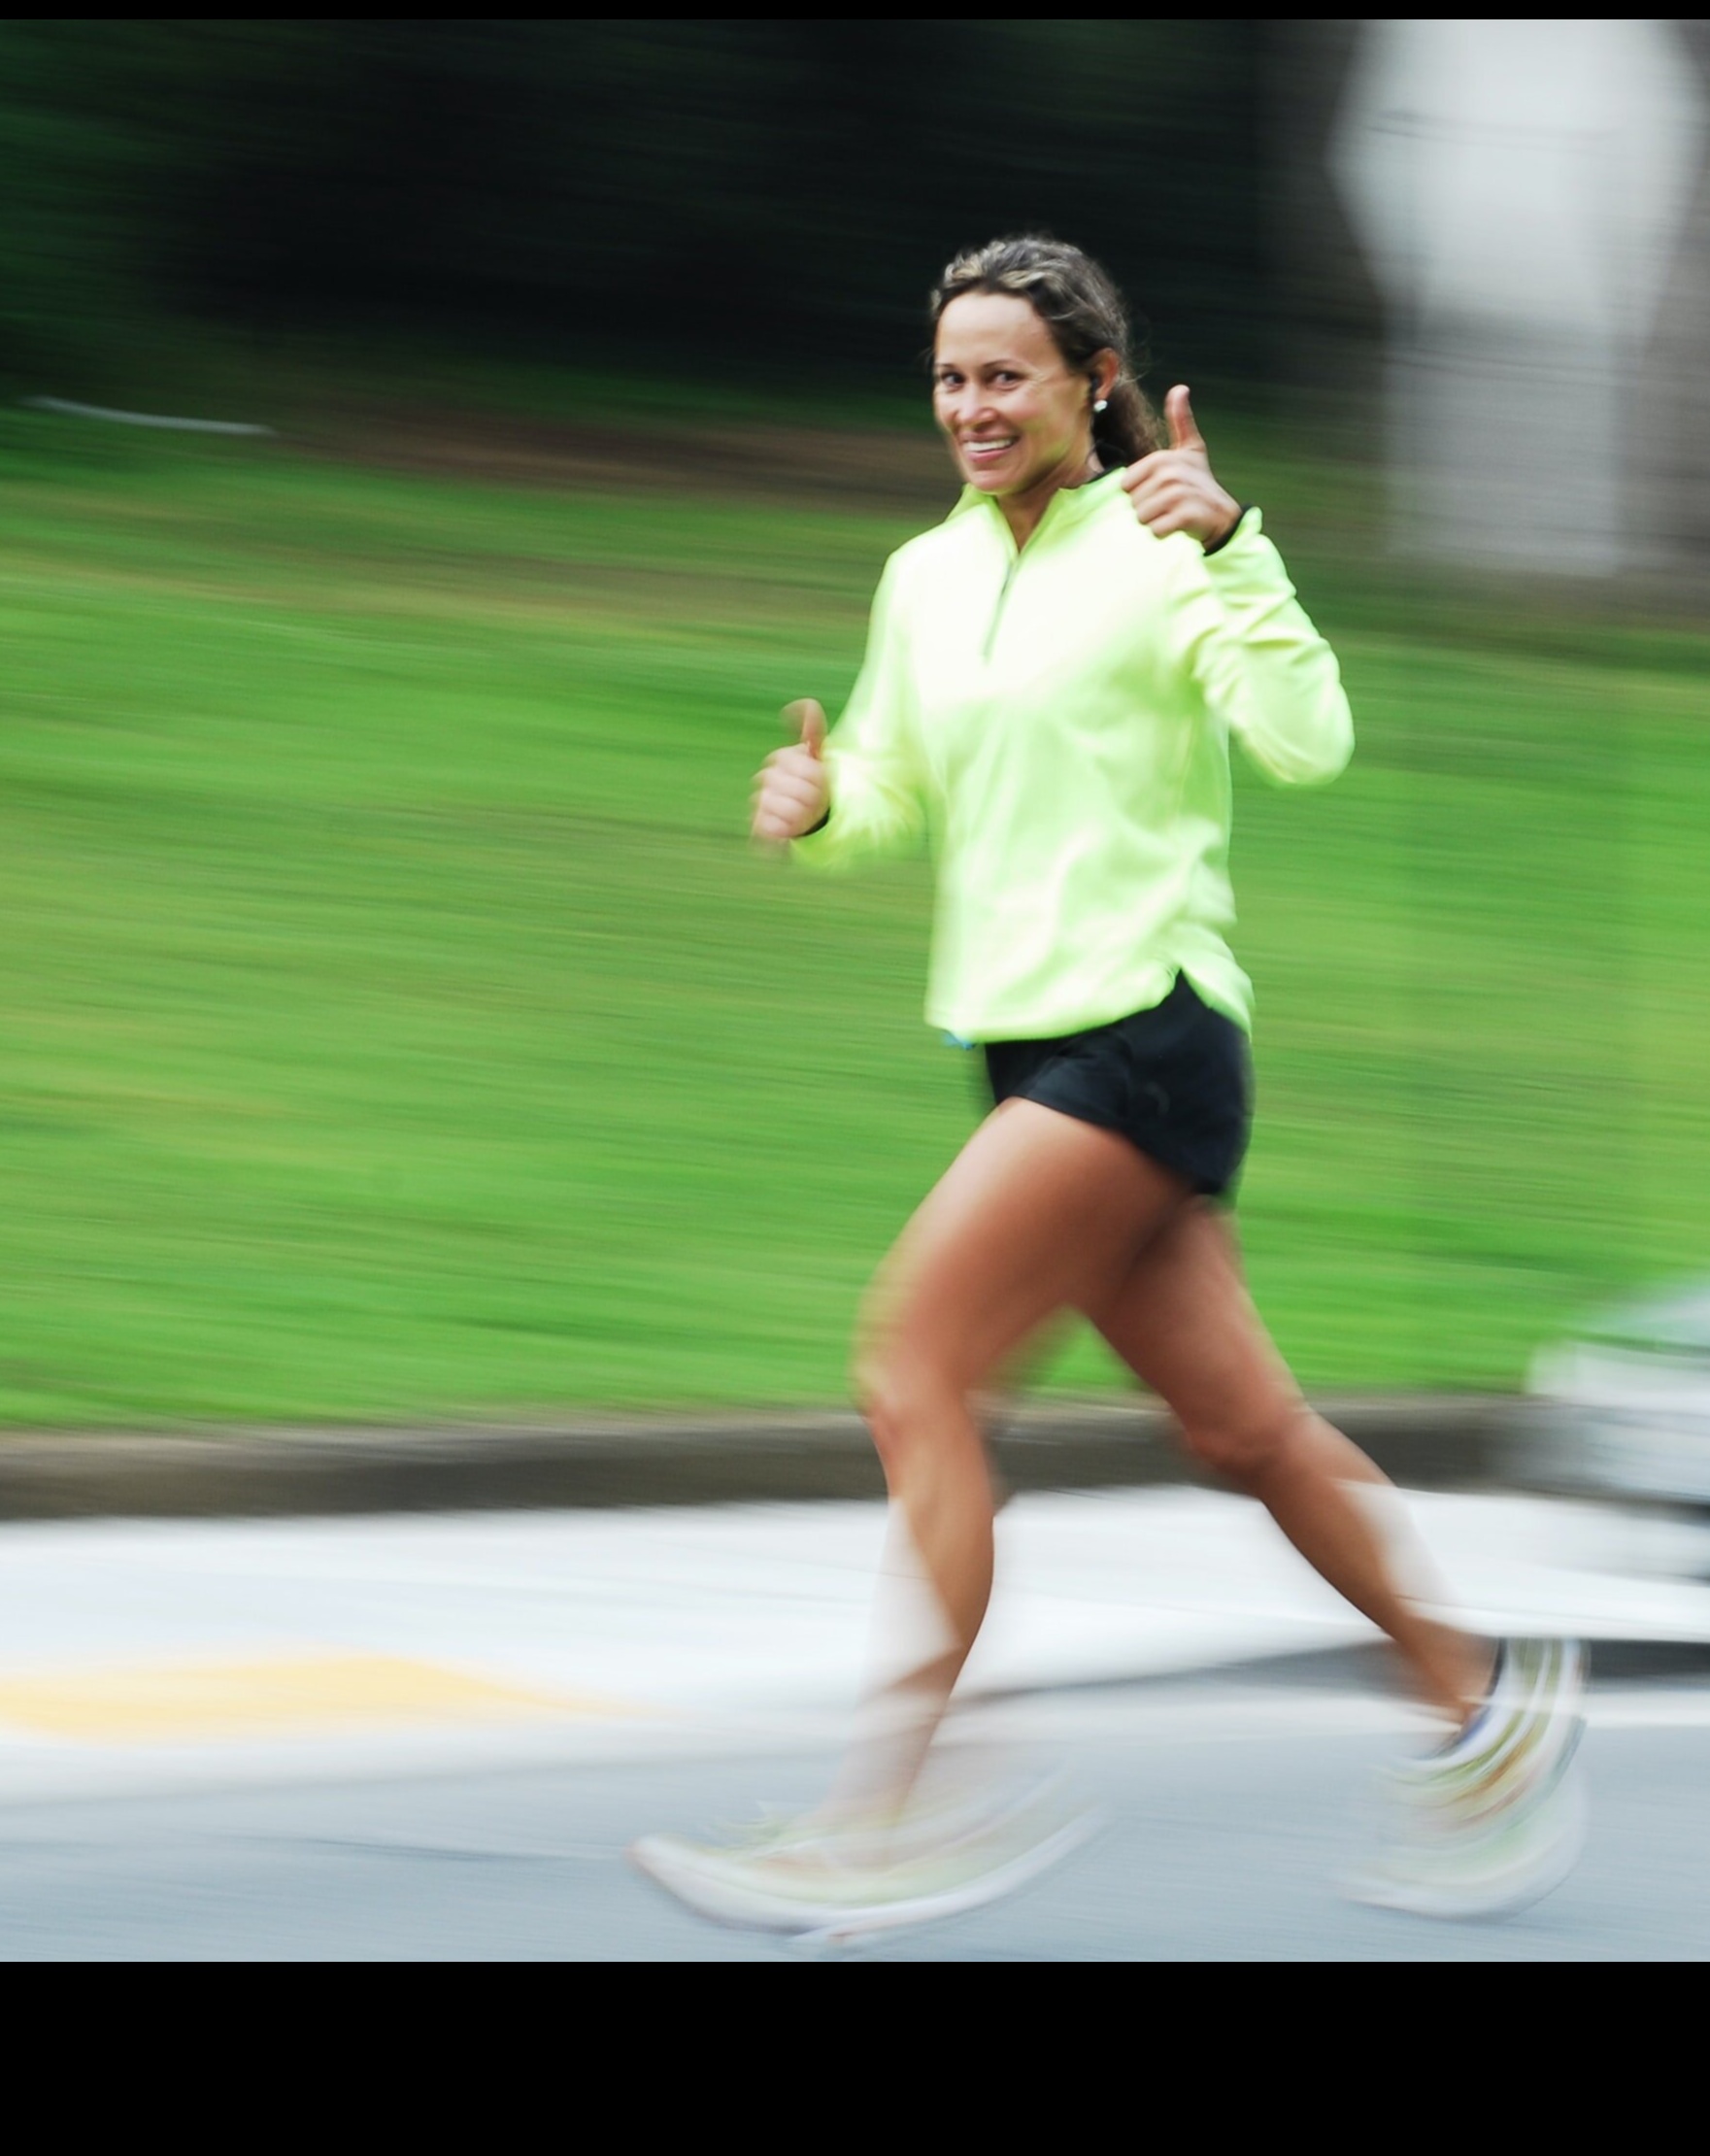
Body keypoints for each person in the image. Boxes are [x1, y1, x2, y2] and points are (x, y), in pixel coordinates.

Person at [631, 234, 1585, 1942]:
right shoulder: (925, 575)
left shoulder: (1163, 541)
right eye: (950, 378)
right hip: (1024, 1046)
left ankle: (907, 1809)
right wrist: (822, 807)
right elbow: (898, 788)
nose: (972, 407)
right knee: (1241, 1433)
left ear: (1092, 382)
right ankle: (1481, 1701)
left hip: (1144, 1031)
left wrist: (1235, 546)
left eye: (1005, 375)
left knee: (913, 1368)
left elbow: (1307, 740)